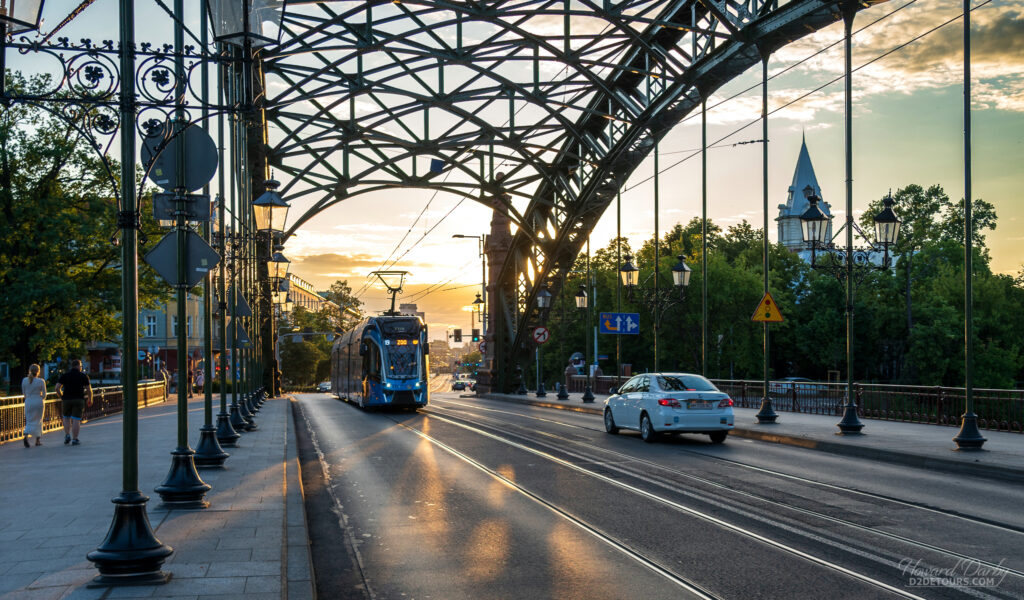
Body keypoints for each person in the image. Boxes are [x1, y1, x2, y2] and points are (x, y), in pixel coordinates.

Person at [55, 359, 92, 446]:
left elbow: (57, 388)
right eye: (81, 366)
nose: (81, 368)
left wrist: (62, 397)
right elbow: (89, 390)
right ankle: (75, 439)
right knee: (76, 419)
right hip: (78, 399)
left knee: (66, 417)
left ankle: (67, 435)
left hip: (67, 399)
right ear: (78, 366)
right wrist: (90, 399)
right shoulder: (83, 376)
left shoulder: (65, 375)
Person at [21, 364, 46, 448]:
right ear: (38, 371)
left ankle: (26, 435)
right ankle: (37, 441)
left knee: (29, 420)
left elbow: (24, 393)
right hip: (38, 402)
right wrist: (40, 398)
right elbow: (44, 395)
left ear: (30, 370)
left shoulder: (24, 380)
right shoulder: (41, 381)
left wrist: (29, 398)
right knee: (38, 420)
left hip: (29, 401)